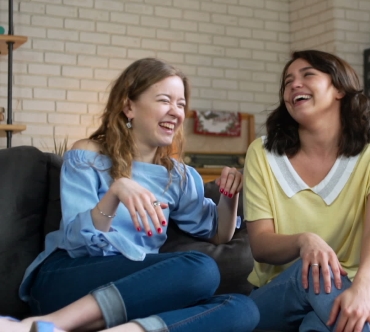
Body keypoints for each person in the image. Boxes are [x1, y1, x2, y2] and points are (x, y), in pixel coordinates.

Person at [0, 58, 259, 332]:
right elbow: (76, 242)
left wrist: (229, 194)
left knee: (243, 308)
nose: (176, 112)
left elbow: (219, 234)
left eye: (181, 104)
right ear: (128, 106)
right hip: (68, 278)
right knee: (201, 269)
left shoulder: (178, 176)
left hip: (135, 288)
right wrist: (116, 191)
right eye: (164, 101)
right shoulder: (88, 155)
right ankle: (37, 325)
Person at [243, 50, 370, 332]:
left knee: (323, 321)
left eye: (308, 75)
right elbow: (261, 244)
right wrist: (304, 241)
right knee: (319, 277)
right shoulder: (262, 154)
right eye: (288, 81)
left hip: (342, 295)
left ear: (339, 88)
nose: (294, 85)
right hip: (273, 300)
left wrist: (363, 289)